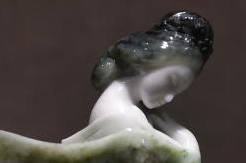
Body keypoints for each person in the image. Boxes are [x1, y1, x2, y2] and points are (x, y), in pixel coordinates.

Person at [63, 10, 212, 155]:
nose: (169, 98)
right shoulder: (123, 120)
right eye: (172, 81)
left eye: (177, 92)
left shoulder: (133, 115)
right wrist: (185, 137)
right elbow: (185, 160)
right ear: (144, 62)